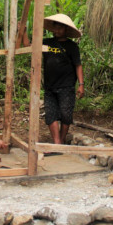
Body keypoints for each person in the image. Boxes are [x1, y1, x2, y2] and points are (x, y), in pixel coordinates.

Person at [42, 14, 84, 145]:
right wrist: (24, 32)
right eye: (55, 28)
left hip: (66, 86)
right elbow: (29, 46)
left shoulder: (72, 47)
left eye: (60, 29)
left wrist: (81, 84)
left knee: (66, 114)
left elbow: (78, 65)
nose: (57, 31)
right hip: (50, 86)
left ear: (66, 30)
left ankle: (62, 138)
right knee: (50, 114)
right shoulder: (46, 43)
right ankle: (57, 142)